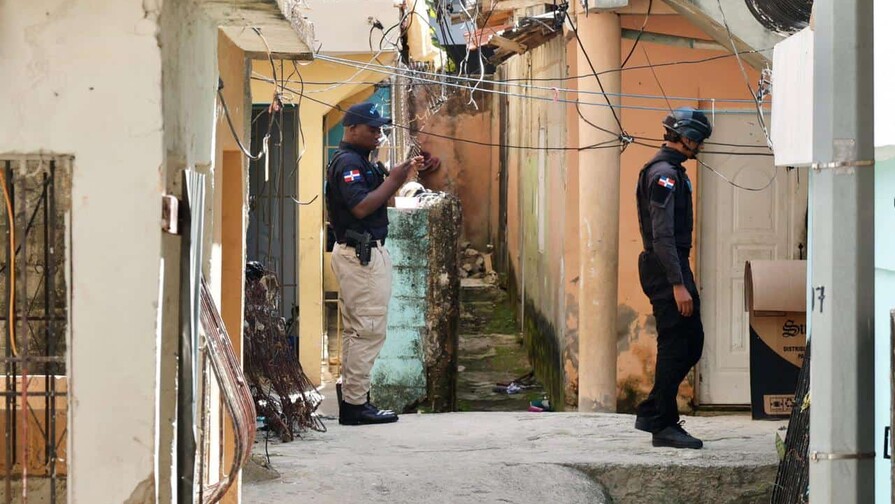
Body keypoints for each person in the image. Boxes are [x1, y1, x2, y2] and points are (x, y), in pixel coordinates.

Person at [325, 102, 423, 425]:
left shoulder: (361, 162)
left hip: (362, 254)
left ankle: (354, 400)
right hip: (360, 255)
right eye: (372, 129)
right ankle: (355, 406)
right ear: (351, 129)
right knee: (368, 330)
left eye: (381, 129)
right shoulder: (348, 164)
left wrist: (398, 177)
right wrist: (393, 180)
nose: (378, 134)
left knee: (359, 330)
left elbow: (381, 202)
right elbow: (362, 208)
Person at [634, 107, 712, 449]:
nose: (700, 148)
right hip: (667, 268)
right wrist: (678, 284)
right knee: (679, 343)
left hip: (672, 265)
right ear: (687, 138)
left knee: (688, 342)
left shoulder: (671, 171)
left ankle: (656, 413)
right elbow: (662, 235)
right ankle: (659, 420)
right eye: (699, 141)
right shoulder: (664, 174)